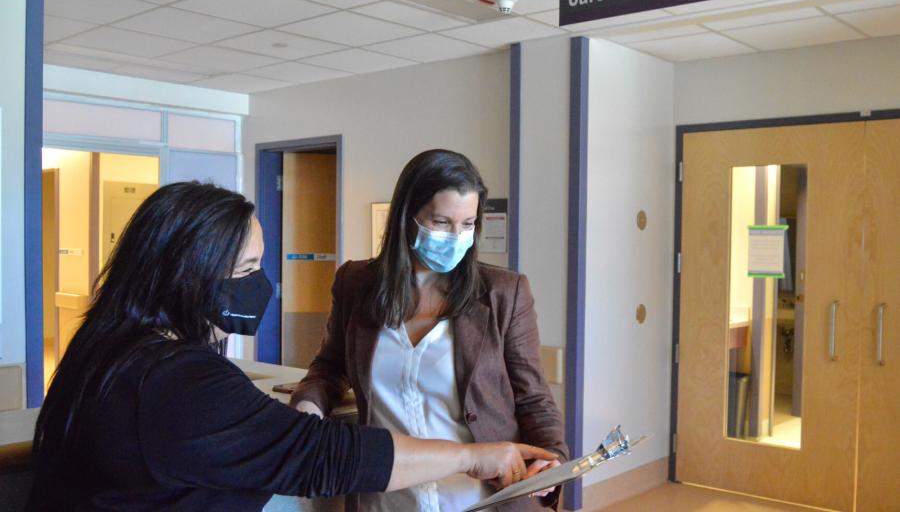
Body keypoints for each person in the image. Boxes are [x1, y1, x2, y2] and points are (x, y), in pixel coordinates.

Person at [28, 181, 556, 511]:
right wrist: (474, 455)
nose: (262, 285)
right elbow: (324, 455)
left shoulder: (108, 345)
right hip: (396, 491)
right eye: (247, 269)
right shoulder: (177, 379)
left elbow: (531, 395)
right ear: (187, 276)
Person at [291, 150, 568, 512]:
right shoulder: (356, 283)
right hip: (386, 496)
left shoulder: (503, 292)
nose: (456, 236)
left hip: (478, 498)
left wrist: (553, 460)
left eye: (467, 224)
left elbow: (532, 397)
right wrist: (307, 408)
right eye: (441, 222)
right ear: (408, 217)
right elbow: (330, 366)